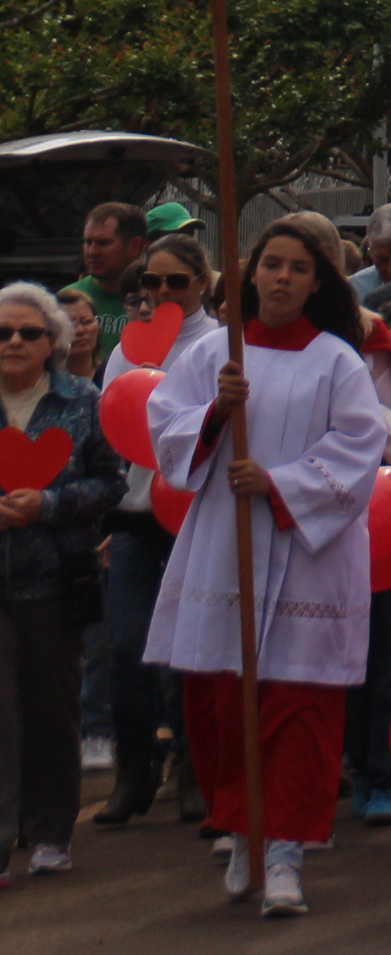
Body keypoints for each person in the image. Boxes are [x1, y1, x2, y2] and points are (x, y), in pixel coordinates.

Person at [144, 212, 390, 917]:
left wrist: (280, 483)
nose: (281, 278)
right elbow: (164, 424)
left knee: (298, 706)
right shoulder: (214, 355)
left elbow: (359, 446)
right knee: (226, 702)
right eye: (271, 265)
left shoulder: (337, 361)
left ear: (317, 284)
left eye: (298, 268)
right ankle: (244, 832)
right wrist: (216, 414)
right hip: (225, 543)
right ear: (251, 275)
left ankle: (286, 851)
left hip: (306, 551)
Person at [0, 279, 118, 888]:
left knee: (51, 713)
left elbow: (110, 482)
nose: (14, 342)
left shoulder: (83, 399)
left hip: (55, 580)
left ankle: (49, 834)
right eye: (3, 332)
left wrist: (47, 505)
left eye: (30, 332)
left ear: (54, 341)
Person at [90, 232, 210, 828]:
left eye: (175, 282)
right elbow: (111, 430)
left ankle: (195, 769)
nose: (162, 292)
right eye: (151, 283)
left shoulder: (218, 345)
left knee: (190, 649)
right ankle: (134, 768)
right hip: (135, 517)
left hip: (195, 516)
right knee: (125, 645)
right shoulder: (126, 349)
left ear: (202, 284)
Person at [62, 203, 147, 368]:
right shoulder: (67, 299)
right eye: (88, 242)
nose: (92, 252)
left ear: (135, 246)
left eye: (103, 243)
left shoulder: (157, 299)